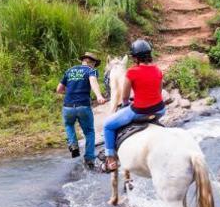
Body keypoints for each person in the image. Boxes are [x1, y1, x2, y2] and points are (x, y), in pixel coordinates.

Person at [102, 39, 166, 172]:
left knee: (107, 125)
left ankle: (111, 158)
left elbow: (125, 97)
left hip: (140, 111)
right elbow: (159, 92)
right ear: (149, 55)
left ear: (135, 57)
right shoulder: (158, 71)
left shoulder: (132, 72)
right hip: (160, 110)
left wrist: (126, 105)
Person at [56, 52, 106, 169]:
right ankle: (89, 159)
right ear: (93, 63)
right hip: (83, 106)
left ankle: (73, 144)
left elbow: (59, 89)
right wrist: (99, 96)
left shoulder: (69, 70)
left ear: (83, 60)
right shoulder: (90, 70)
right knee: (89, 132)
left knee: (69, 125)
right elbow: (93, 82)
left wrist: (68, 92)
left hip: (68, 106)